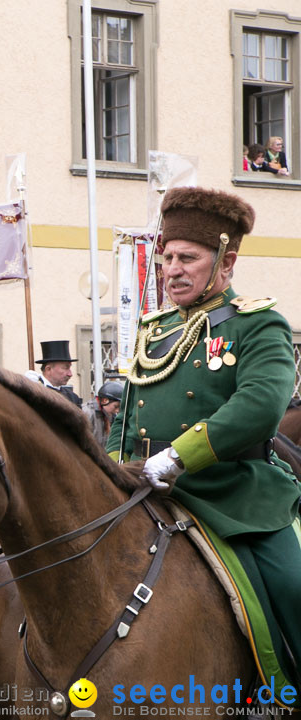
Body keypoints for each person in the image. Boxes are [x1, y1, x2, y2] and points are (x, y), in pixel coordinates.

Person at [106, 186, 301, 666]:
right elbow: (126, 417)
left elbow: (259, 406)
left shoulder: (257, 326)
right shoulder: (155, 331)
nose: (171, 270)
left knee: (294, 589)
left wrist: (178, 457)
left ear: (226, 263)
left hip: (234, 495)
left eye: (187, 258)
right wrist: (108, 470)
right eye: (166, 257)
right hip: (146, 491)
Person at [24, 340, 81, 407]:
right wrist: (26, 389)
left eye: (69, 368)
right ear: (48, 369)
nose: (70, 374)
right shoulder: (34, 392)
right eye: (65, 368)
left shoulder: (73, 398)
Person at [83, 379, 123, 447]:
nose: (117, 410)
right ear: (105, 401)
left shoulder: (109, 414)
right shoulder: (87, 413)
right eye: (116, 406)